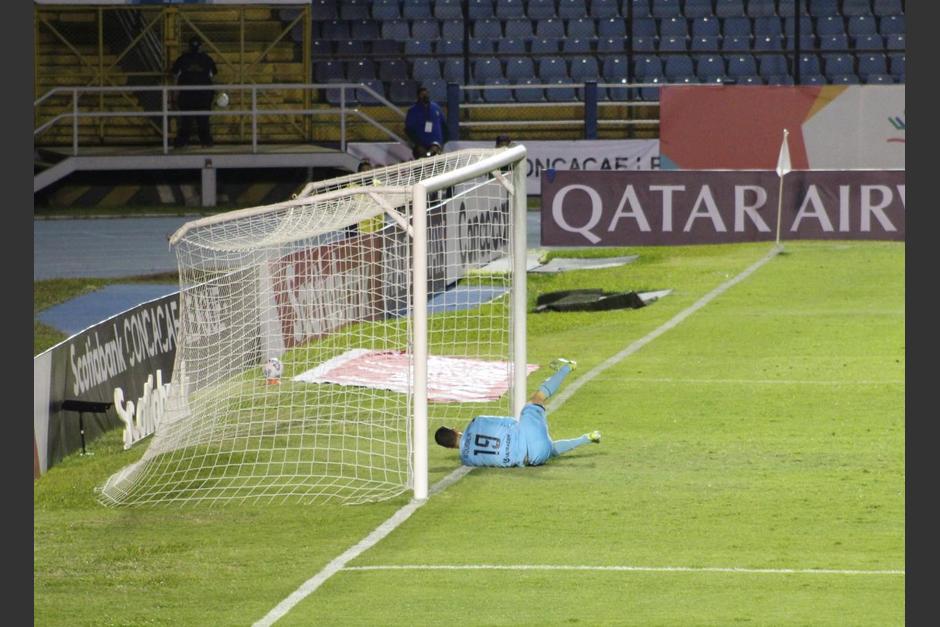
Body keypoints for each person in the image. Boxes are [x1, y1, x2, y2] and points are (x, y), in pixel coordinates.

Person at [435, 358, 601, 467]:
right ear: (455, 429)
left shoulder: (467, 460)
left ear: (449, 448)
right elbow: (507, 422)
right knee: (537, 398)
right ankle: (567, 367)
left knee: (551, 449)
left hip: (533, 457)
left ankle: (587, 438)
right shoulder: (476, 422)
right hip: (526, 433)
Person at [170, 36, 218, 148]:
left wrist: (174, 94)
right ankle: (206, 142)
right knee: (203, 120)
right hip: (203, 95)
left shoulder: (182, 59)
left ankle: (182, 142)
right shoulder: (207, 59)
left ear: (189, 46)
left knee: (186, 121)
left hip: (187, 96)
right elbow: (213, 77)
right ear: (201, 46)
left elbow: (175, 76)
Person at [405, 86, 447, 159]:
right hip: (421, 146)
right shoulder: (413, 111)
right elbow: (408, 129)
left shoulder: (436, 107)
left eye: (427, 93)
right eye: (422, 94)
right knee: (423, 162)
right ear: (418, 96)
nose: (425, 96)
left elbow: (444, 125)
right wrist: (418, 144)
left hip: (435, 144)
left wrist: (442, 142)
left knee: (436, 161)